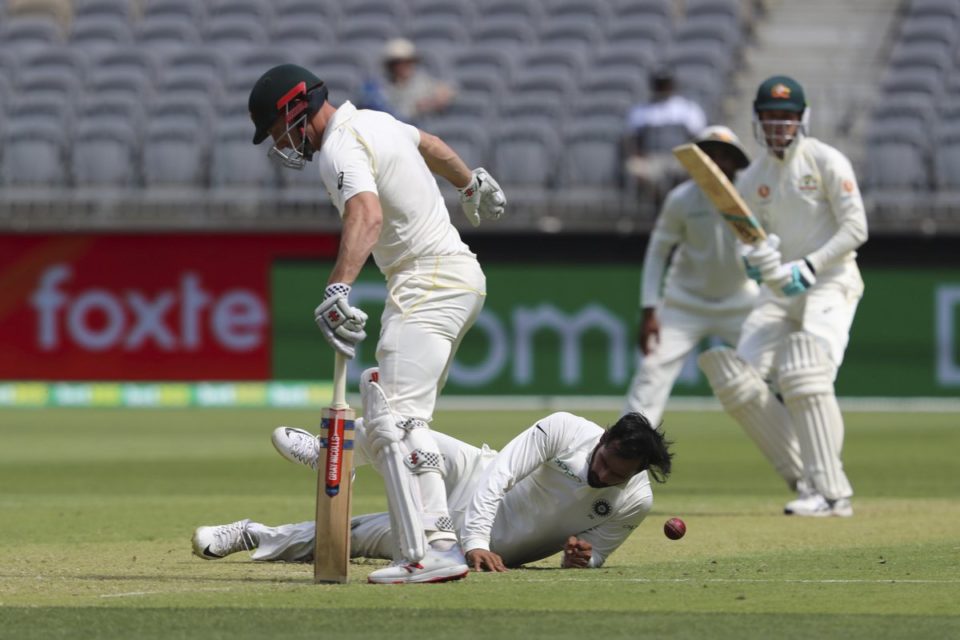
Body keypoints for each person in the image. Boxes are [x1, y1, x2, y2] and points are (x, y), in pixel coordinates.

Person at [247, 64, 506, 583]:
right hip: (457, 277)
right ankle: (337, 451)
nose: (280, 143)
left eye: (277, 129)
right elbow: (430, 143)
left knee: (405, 421)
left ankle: (435, 549)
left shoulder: (340, 146)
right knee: (402, 417)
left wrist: (339, 285)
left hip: (426, 280)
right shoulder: (377, 121)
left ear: (297, 108)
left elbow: (366, 214)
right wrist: (470, 180)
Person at [192, 375, 674, 574]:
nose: (601, 470)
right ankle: (334, 453)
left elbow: (595, 557)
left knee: (347, 538)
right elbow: (500, 474)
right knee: (410, 431)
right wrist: (476, 541)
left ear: (636, 474)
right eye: (604, 456)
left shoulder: (636, 502)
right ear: (605, 434)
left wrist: (579, 560)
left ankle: (254, 535)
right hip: (475, 479)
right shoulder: (568, 428)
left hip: (485, 543)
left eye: (614, 473)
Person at [698, 75, 868, 517]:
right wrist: (752, 261)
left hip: (830, 280)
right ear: (757, 122)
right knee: (738, 380)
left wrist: (810, 265)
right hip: (779, 291)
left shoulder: (827, 161)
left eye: (787, 117)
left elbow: (856, 228)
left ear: (802, 119)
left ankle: (833, 494)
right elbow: (751, 241)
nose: (779, 126)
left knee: (805, 374)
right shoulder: (753, 178)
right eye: (771, 117)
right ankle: (808, 481)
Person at [624, 125, 757, 427]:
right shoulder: (681, 199)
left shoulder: (753, 195)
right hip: (684, 303)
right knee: (651, 372)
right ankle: (630, 448)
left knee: (774, 370)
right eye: (708, 155)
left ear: (736, 163)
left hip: (741, 301)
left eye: (725, 156)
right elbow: (658, 252)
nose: (716, 163)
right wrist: (649, 310)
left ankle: (799, 450)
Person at [624, 68, 707, 210]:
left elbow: (698, 137)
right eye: (659, 84)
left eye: (665, 84)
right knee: (635, 168)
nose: (662, 88)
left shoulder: (686, 109)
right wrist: (638, 154)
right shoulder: (641, 111)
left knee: (691, 168)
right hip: (651, 159)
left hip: (679, 156)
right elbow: (631, 140)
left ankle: (682, 204)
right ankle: (661, 207)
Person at [356, 38, 456, 125]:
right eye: (397, 63)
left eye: (407, 62)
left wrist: (429, 104)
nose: (402, 66)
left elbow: (448, 91)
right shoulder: (380, 85)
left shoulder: (423, 82)